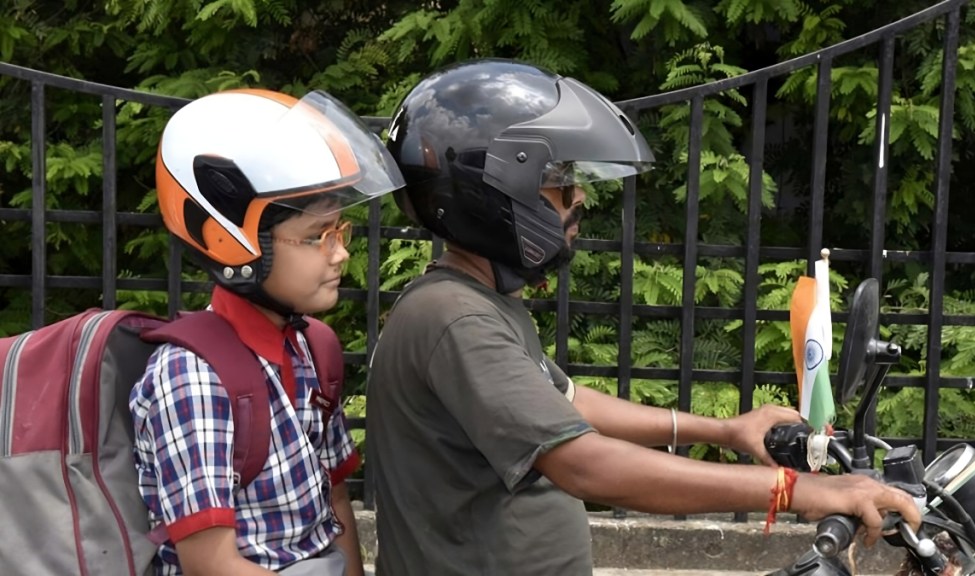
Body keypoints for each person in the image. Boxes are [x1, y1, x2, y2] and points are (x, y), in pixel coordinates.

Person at [366, 59, 921, 575]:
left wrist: (726, 431)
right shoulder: (454, 319)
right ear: (494, 190)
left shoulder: (479, 302)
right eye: (558, 179)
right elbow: (584, 464)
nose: (577, 196)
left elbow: (568, 405)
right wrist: (797, 489)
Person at [131, 88, 404, 575]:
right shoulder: (192, 377)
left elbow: (335, 500)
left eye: (340, 232)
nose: (340, 253)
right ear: (228, 239)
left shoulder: (313, 349)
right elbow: (212, 565)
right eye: (318, 236)